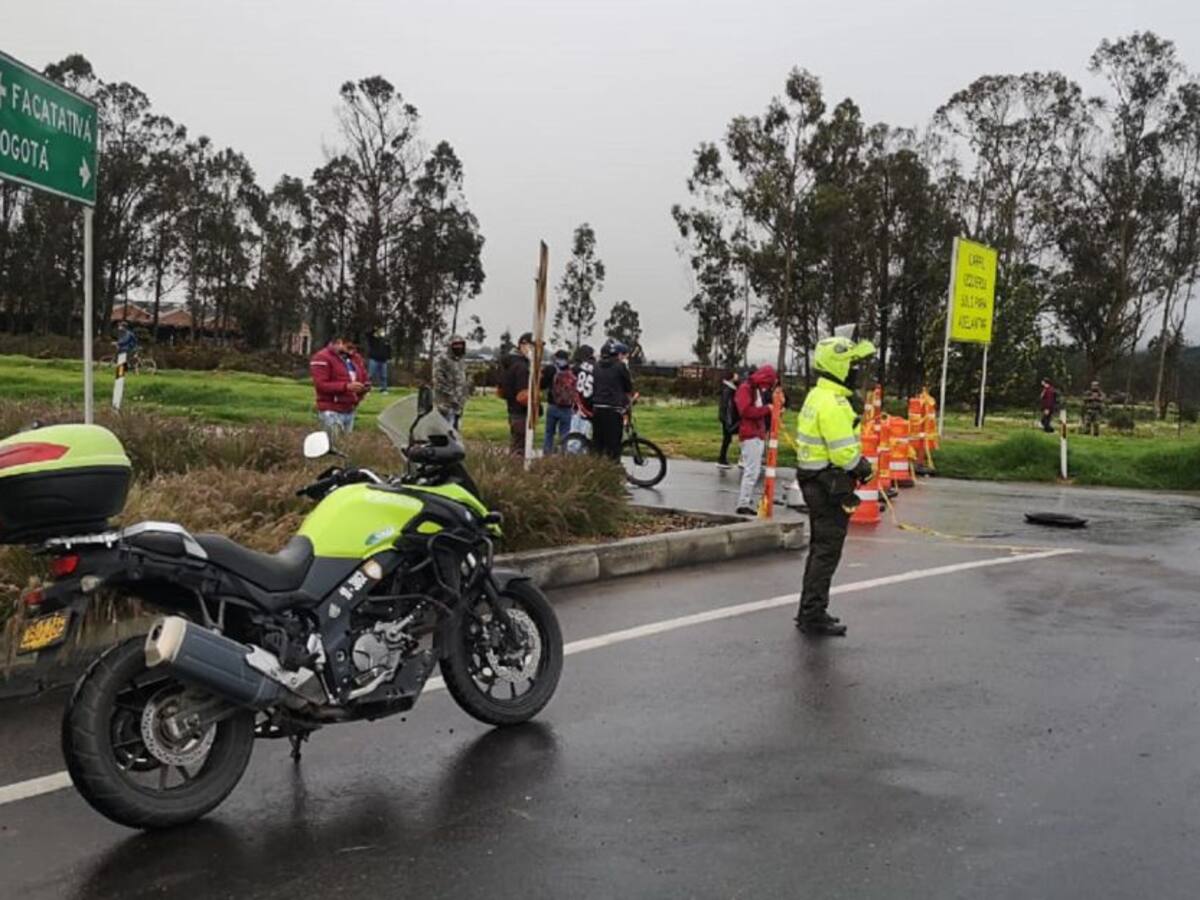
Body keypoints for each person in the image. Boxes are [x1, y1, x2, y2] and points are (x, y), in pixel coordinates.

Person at [792, 334, 877, 637]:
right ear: (837, 365)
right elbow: (843, 452)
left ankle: (809, 610)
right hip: (827, 484)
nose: (856, 370)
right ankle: (813, 615)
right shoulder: (833, 403)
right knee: (827, 551)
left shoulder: (817, 395)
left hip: (814, 479)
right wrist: (863, 467)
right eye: (852, 364)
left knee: (820, 549)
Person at [733, 365, 778, 515]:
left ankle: (746, 500)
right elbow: (745, 411)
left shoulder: (754, 389)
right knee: (752, 470)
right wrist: (767, 409)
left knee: (754, 470)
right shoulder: (746, 389)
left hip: (756, 433)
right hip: (750, 434)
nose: (767, 388)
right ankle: (743, 503)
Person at [310, 333, 369, 434]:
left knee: (346, 442)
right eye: (348, 347)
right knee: (333, 440)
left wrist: (364, 388)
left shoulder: (355, 358)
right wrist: (346, 387)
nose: (352, 350)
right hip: (331, 410)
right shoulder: (321, 358)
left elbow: (364, 376)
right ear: (338, 343)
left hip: (350, 409)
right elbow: (321, 385)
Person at [591, 339, 633, 460]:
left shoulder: (596, 366)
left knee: (598, 442)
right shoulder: (620, 366)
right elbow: (628, 387)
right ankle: (612, 466)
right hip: (614, 408)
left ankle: (595, 465)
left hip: (597, 407)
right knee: (613, 443)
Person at [501, 332, 534, 456]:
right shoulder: (522, 367)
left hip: (512, 410)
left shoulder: (509, 363)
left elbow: (501, 390)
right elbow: (522, 395)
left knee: (515, 445)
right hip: (521, 412)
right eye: (532, 346)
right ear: (523, 345)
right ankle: (516, 466)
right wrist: (536, 407)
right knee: (519, 448)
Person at [541, 349, 576, 454]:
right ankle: (563, 455)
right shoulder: (572, 371)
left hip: (553, 405)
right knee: (564, 434)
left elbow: (542, 385)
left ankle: (547, 454)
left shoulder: (550, 369)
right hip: (567, 407)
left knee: (549, 432)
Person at [434, 334, 470, 430]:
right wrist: (451, 396)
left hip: (459, 404)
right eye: (456, 345)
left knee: (456, 430)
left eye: (461, 345)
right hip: (445, 404)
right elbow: (438, 380)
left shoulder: (461, 361)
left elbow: (463, 379)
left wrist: (464, 395)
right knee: (445, 429)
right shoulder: (442, 359)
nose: (459, 347)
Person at [571, 344, 596, 437]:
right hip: (588, 402)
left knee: (573, 431)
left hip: (576, 401)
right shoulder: (595, 366)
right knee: (584, 433)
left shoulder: (576, 367)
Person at [717, 369, 740, 470]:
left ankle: (722, 458)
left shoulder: (728, 388)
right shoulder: (728, 390)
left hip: (726, 418)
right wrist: (729, 420)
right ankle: (722, 459)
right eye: (735, 375)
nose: (737, 376)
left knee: (727, 439)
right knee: (727, 439)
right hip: (728, 419)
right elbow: (727, 407)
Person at [366, 328, 392, 394]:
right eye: (380, 331)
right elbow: (368, 334)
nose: (381, 332)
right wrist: (374, 330)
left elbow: (389, 349)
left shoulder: (386, 340)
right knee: (370, 375)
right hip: (374, 359)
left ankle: (384, 389)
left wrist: (389, 358)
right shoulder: (373, 339)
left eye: (382, 331)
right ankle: (367, 389)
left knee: (384, 376)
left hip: (383, 360)